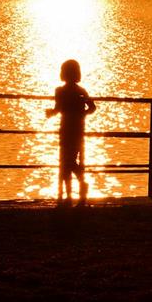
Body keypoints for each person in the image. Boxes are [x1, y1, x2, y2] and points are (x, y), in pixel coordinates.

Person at [46, 59, 96, 205]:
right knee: (73, 161)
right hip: (78, 130)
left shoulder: (60, 91)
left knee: (65, 162)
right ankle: (81, 188)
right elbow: (92, 107)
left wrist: (50, 113)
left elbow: (58, 109)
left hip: (65, 130)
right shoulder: (81, 91)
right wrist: (83, 114)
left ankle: (67, 195)